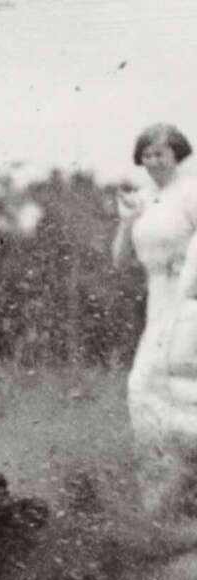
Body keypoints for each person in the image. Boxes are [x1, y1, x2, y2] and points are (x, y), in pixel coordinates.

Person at [111, 123, 197, 517]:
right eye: (146, 153)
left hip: (189, 297)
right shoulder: (142, 200)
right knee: (145, 391)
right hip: (158, 302)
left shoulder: (190, 191)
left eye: (160, 152)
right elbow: (121, 260)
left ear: (177, 153)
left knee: (185, 390)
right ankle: (161, 500)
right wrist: (127, 222)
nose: (153, 160)